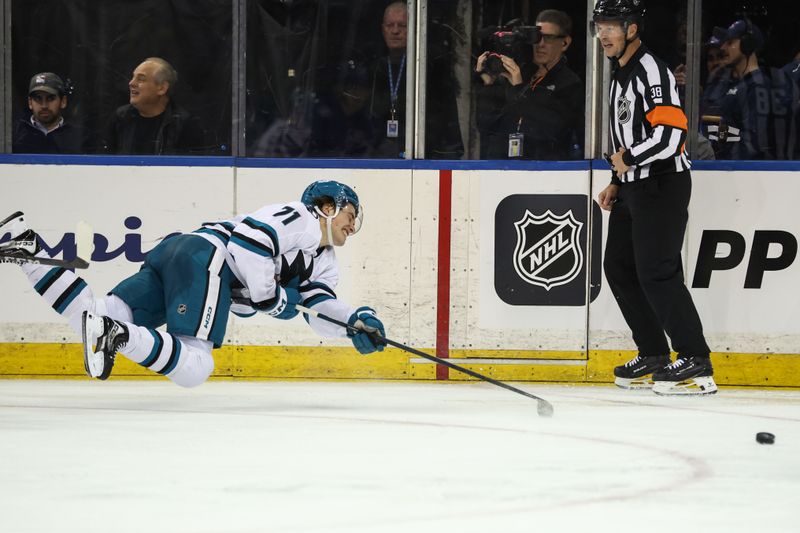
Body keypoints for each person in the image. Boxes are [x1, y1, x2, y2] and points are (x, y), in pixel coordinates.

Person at [0, 180, 386, 387]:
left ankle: (25, 248)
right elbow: (249, 243)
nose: (352, 225)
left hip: (180, 251)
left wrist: (354, 323)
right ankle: (118, 334)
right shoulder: (302, 217)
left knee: (96, 313)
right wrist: (269, 298)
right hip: (206, 258)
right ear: (327, 208)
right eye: (349, 215)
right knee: (196, 366)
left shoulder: (323, 261)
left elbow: (315, 307)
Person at [592, 0, 716, 396]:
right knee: (619, 267)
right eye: (599, 26)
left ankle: (695, 358)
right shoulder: (620, 72)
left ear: (632, 29)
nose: (603, 34)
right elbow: (627, 134)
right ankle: (654, 353)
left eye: (611, 26)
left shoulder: (651, 71)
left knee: (658, 271)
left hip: (662, 184)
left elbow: (671, 136)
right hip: (633, 186)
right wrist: (617, 179)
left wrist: (627, 160)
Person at [475, 10, 583, 160]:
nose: (540, 44)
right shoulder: (519, 73)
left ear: (565, 43)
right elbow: (486, 126)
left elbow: (552, 131)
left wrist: (519, 90)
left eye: (548, 38)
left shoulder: (569, 83)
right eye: (536, 37)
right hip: (505, 165)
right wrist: (488, 84)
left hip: (546, 169)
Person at [367, 1, 463, 159]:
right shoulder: (374, 68)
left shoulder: (430, 68)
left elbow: (446, 125)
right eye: (390, 25)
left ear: (414, 28)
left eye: (402, 25)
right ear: (382, 29)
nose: (395, 31)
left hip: (425, 157)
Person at [704, 20, 798, 160]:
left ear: (747, 45)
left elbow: (754, 145)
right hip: (724, 166)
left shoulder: (760, 86)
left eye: (730, 43)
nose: (723, 47)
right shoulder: (730, 85)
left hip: (746, 169)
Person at [104, 57, 206, 155]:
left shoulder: (184, 125)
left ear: (162, 88)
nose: (131, 83)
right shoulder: (120, 118)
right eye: (133, 77)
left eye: (141, 79)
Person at [12, 72, 88, 154]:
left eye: (50, 98)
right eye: (38, 99)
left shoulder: (81, 137)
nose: (44, 106)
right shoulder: (14, 134)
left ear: (63, 101)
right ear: (30, 102)